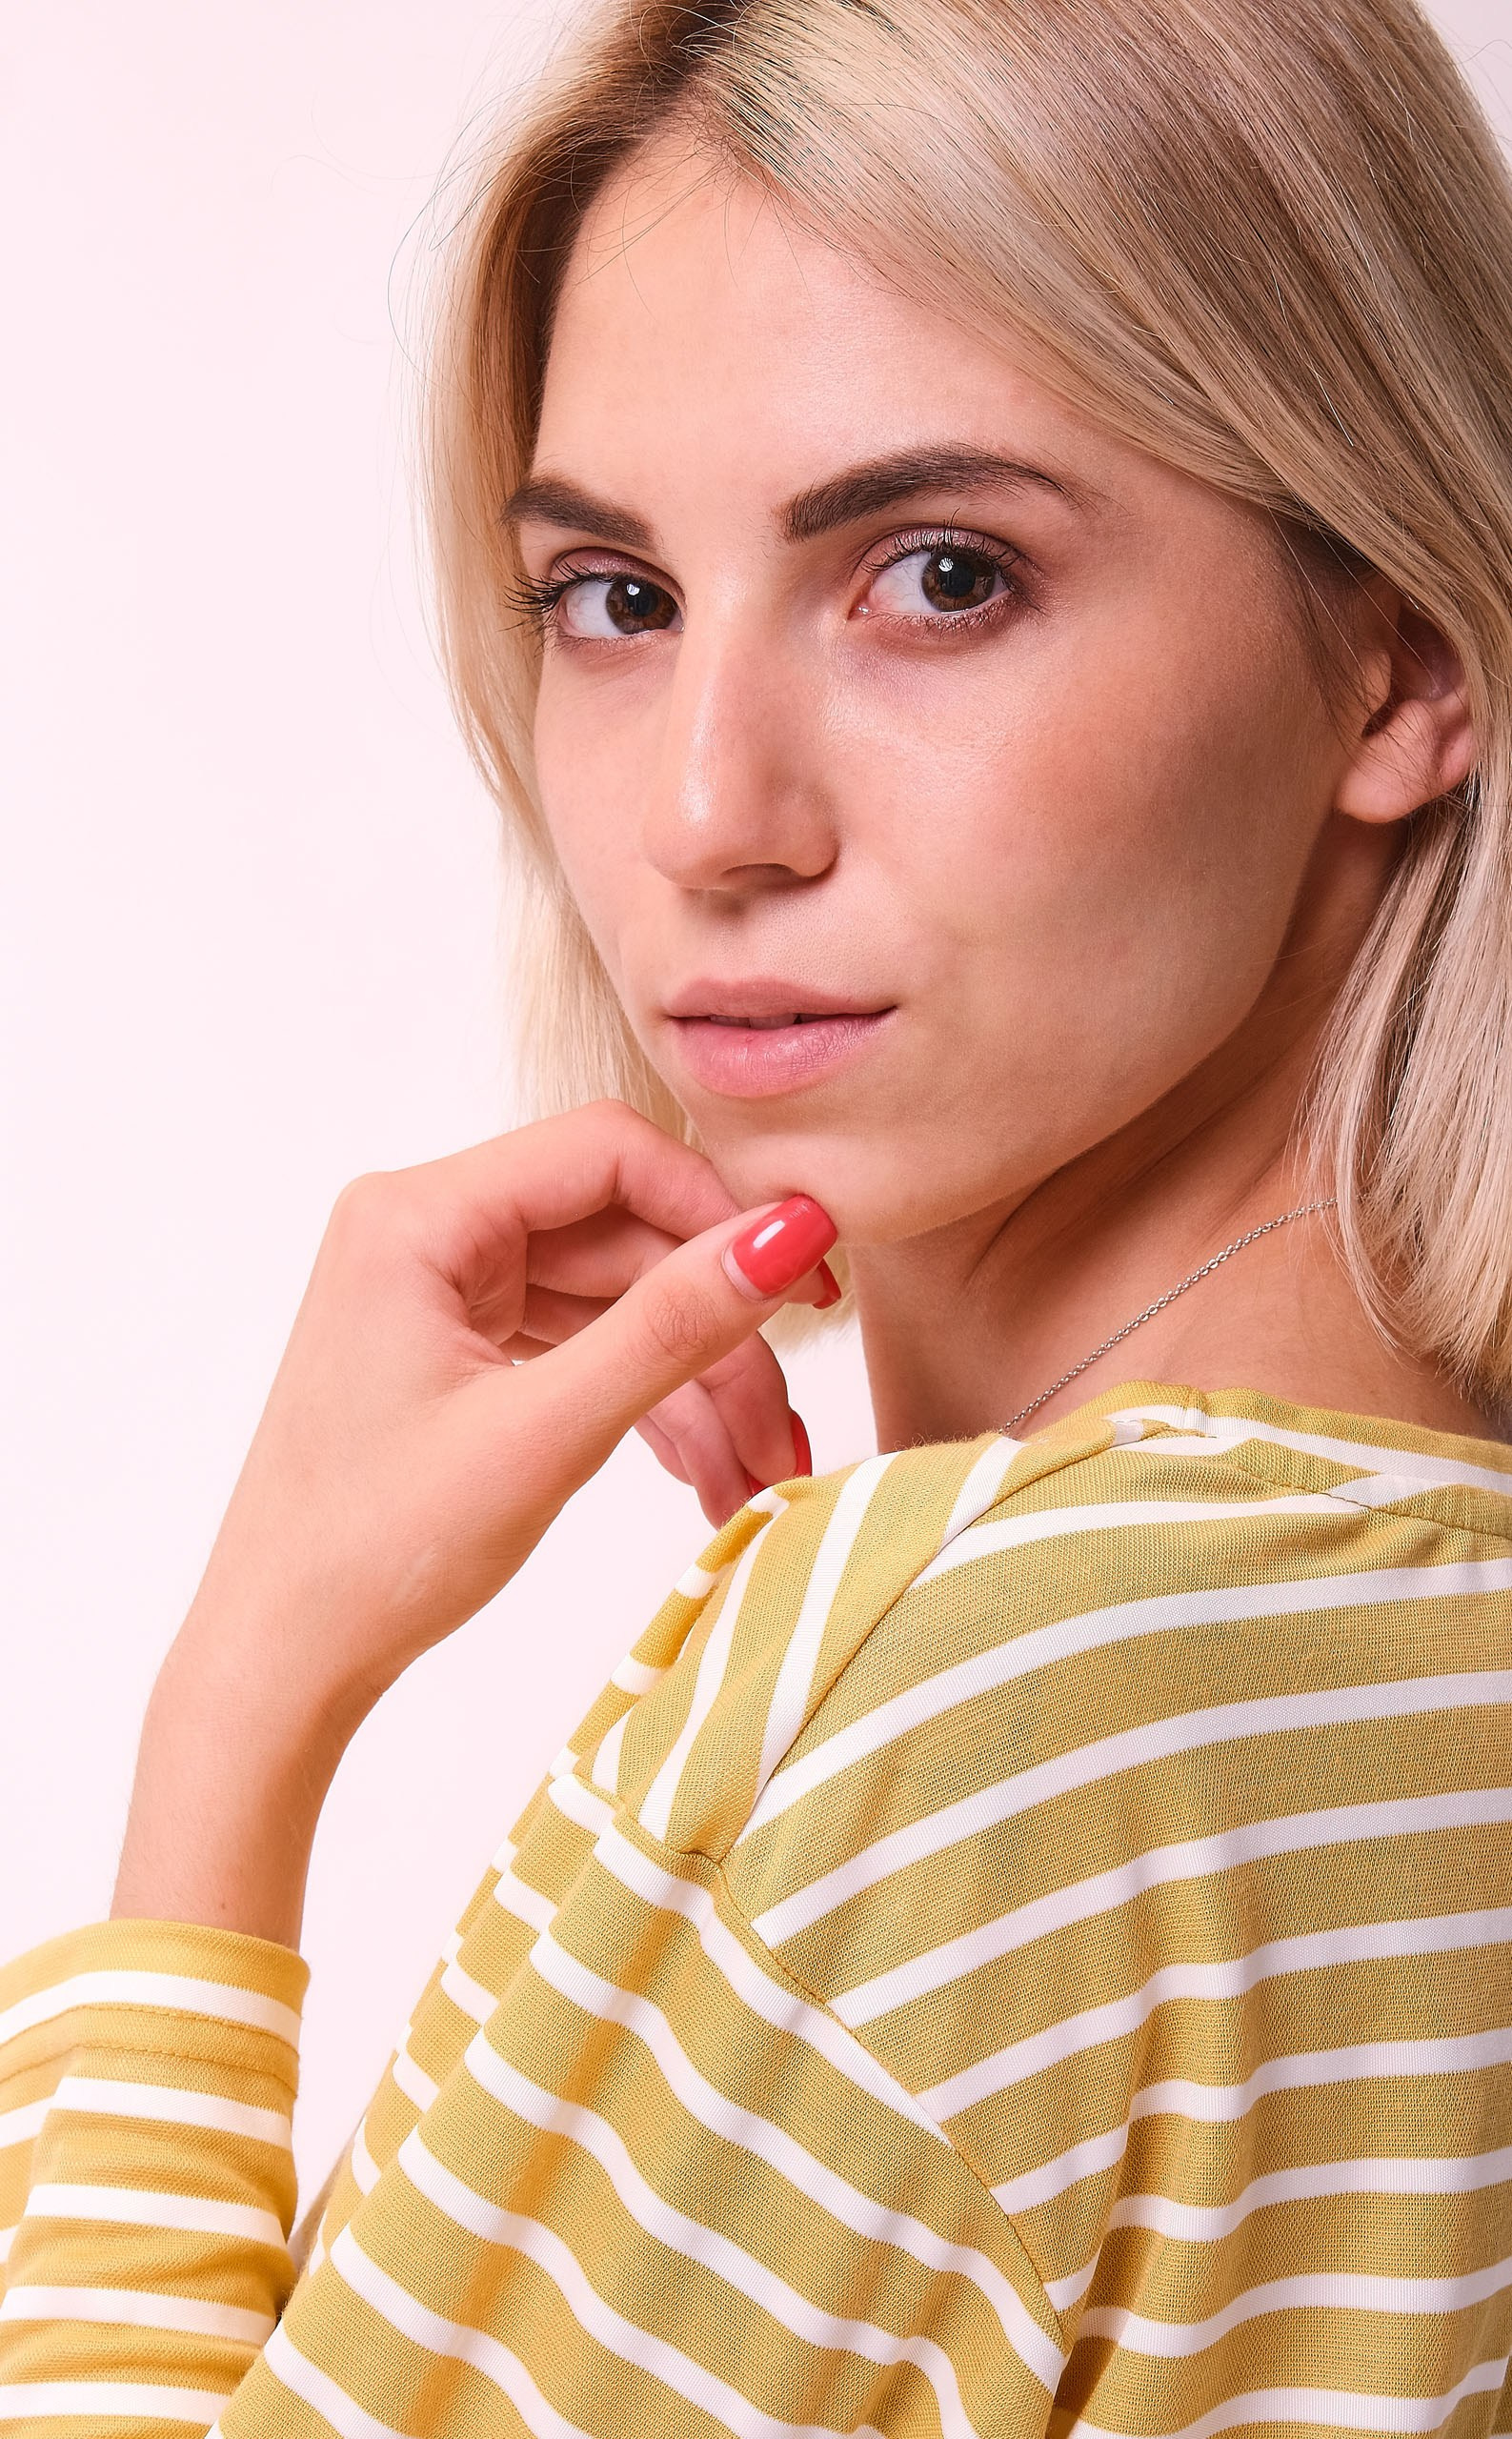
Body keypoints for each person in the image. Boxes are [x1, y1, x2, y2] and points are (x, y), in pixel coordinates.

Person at [5, 0, 1512, 2430]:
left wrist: (237, 1716)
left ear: (1395, 660)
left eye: (939, 573)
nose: (706, 813)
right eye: (612, 597)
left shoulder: (958, 1688)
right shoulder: (1403, 1653)